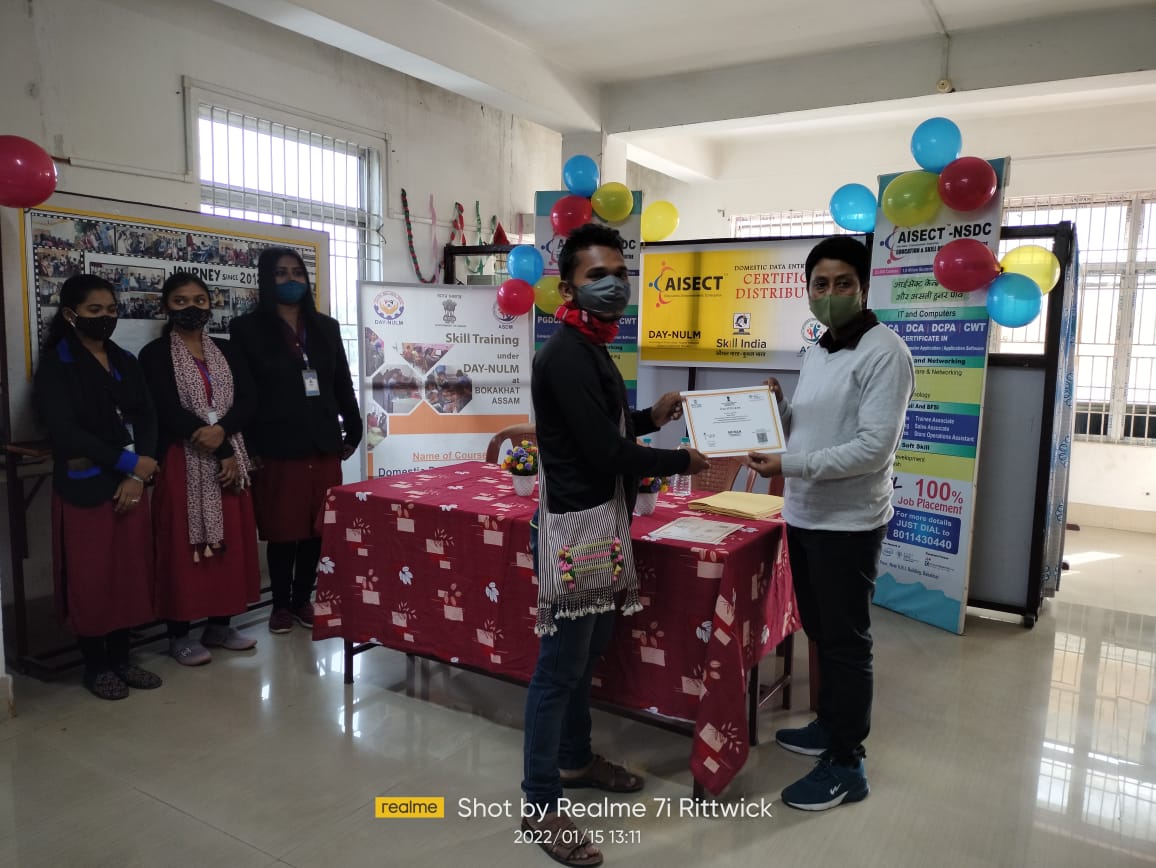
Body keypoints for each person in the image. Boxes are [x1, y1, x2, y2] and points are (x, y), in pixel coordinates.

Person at [521, 223, 710, 866]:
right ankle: (540, 803)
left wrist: (651, 418)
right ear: (567, 288)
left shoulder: (593, 345)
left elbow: (603, 427)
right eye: (595, 275)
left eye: (619, 274)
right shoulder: (566, 354)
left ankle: (574, 759)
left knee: (587, 655)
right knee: (558, 669)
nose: (611, 286)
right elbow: (604, 451)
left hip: (603, 522)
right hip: (574, 529)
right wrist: (681, 459)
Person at [745, 235, 914, 811]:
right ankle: (829, 726)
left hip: (850, 522)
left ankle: (847, 762)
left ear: (863, 287)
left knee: (845, 642)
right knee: (819, 630)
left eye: (843, 283)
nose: (831, 293)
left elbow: (871, 449)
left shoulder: (885, 352)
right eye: (820, 284)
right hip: (805, 513)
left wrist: (787, 466)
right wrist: (777, 409)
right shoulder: (819, 348)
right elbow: (810, 424)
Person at [35, 274, 162, 700]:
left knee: (129, 573)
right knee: (92, 578)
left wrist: (137, 475)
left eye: (111, 309)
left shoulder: (124, 359)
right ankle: (96, 665)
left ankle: (123, 659)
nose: (105, 317)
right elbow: (65, 432)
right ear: (71, 315)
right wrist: (129, 463)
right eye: (94, 310)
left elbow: (147, 416)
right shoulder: (57, 364)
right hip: (86, 486)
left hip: (130, 484)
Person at [229, 248, 362, 634]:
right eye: (281, 274)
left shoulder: (326, 327)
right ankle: (280, 605)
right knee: (284, 530)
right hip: (276, 444)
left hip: (323, 442)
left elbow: (341, 382)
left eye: (297, 273)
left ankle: (304, 598)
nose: (291, 281)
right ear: (266, 280)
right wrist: (251, 446)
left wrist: (354, 429)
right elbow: (244, 392)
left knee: (317, 528)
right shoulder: (247, 328)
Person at [140, 273, 261, 666]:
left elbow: (248, 399)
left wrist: (223, 433)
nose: (191, 307)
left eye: (199, 300)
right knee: (181, 544)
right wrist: (216, 444)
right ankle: (178, 634)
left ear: (210, 304)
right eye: (180, 301)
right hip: (182, 458)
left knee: (229, 543)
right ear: (166, 307)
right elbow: (164, 408)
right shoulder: (154, 354)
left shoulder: (228, 350)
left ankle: (220, 625)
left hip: (231, 457)